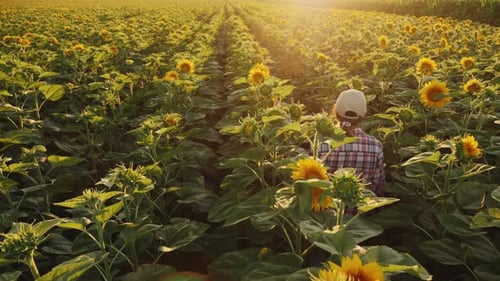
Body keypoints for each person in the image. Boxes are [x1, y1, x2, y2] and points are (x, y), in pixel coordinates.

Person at [318, 89, 385, 195]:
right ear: (363, 116)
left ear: (335, 112)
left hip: (326, 209)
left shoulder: (322, 144)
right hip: (361, 209)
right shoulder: (376, 146)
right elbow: (377, 185)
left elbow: (312, 183)